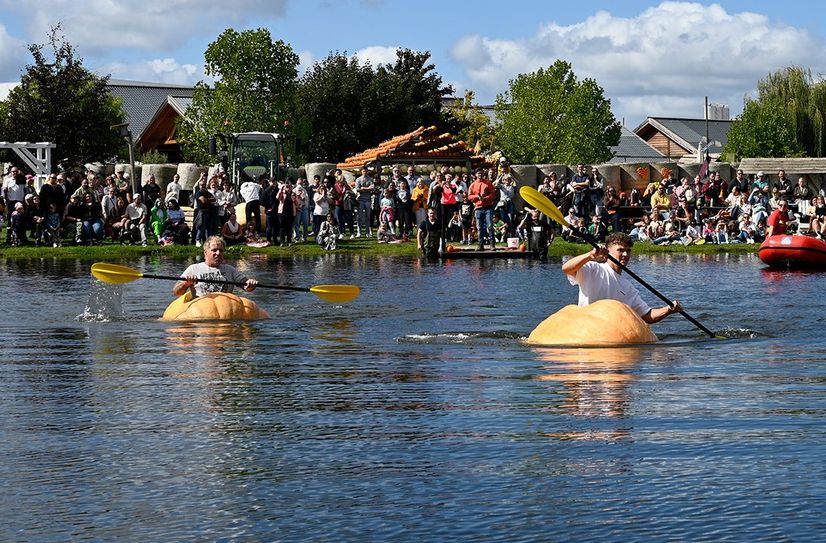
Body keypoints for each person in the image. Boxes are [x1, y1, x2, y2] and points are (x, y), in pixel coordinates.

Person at [562, 232, 683, 324]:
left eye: (628, 251)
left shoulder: (628, 287)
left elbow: (647, 315)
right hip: (586, 327)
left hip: (611, 332)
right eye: (620, 250)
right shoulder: (593, 268)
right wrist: (590, 255)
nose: (625, 255)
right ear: (608, 251)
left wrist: (668, 309)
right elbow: (567, 268)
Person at [173, 236, 258, 297]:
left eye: (221, 250)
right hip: (200, 308)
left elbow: (247, 287)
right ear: (205, 252)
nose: (218, 253)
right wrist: (186, 284)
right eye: (214, 250)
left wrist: (250, 284)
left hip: (225, 308)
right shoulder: (193, 268)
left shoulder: (230, 270)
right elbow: (177, 292)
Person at [467, 168, 496, 250]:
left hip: (488, 208)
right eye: (479, 173)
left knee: (490, 226)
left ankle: (492, 244)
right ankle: (480, 245)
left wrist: (485, 198)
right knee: (479, 227)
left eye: (481, 173)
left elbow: (493, 194)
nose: (480, 175)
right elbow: (469, 196)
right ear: (476, 175)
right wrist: (477, 197)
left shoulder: (488, 183)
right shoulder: (473, 184)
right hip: (478, 208)